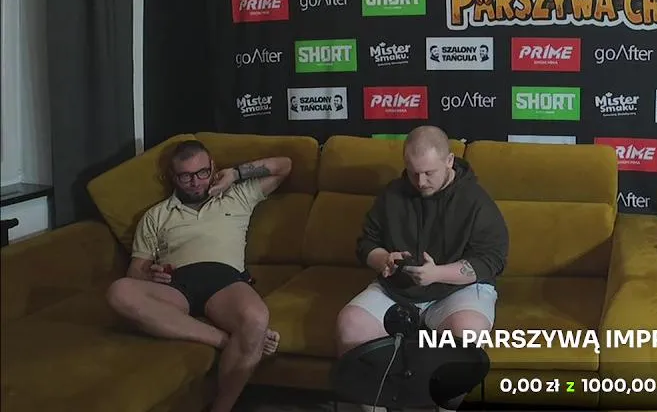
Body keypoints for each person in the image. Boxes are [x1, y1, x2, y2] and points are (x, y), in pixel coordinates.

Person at [106, 140, 293, 412]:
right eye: (185, 176)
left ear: (213, 167)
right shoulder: (156, 216)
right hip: (176, 286)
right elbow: (135, 271)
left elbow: (284, 166)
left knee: (256, 318)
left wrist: (235, 174)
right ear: (173, 177)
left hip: (225, 281)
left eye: (202, 172)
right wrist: (148, 275)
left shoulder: (237, 196)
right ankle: (226, 339)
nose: (195, 182)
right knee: (119, 291)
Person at [335, 125, 509, 412]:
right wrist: (382, 259)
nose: (420, 181)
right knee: (350, 325)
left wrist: (437, 273)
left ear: (449, 161)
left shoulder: (475, 200)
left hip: (457, 290)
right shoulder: (392, 194)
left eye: (429, 172)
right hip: (397, 288)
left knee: (469, 332)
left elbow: (492, 259)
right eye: (413, 172)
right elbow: (367, 243)